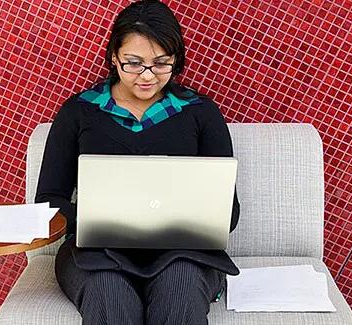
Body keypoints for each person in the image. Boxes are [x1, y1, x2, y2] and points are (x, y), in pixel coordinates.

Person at [34, 1, 240, 324]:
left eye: (161, 64)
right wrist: (99, 220)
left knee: (180, 290)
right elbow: (47, 200)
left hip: (182, 256)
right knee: (109, 295)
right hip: (97, 256)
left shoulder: (201, 113)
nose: (147, 76)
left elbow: (229, 212)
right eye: (133, 63)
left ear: (176, 59)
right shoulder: (79, 111)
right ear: (114, 57)